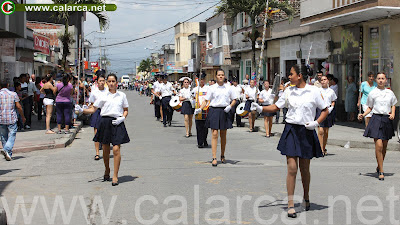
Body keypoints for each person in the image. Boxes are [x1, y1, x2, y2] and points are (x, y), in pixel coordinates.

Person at [251, 64, 329, 218]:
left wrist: (316, 122)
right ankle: (291, 204)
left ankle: (306, 197)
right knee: (292, 168)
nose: (289, 77)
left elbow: (325, 109)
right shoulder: (288, 91)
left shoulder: (314, 91)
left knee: (304, 169)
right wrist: (261, 108)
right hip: (291, 130)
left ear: (299, 75)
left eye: (291, 74)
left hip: (306, 131)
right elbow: (275, 107)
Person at [76, 74, 130, 186]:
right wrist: (82, 110)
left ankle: (115, 176)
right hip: (105, 122)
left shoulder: (122, 95)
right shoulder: (103, 95)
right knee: (105, 149)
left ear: (117, 82)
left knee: (116, 149)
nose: (111, 83)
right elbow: (93, 109)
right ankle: (107, 169)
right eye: (109, 81)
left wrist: (122, 118)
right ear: (107, 82)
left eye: (113, 81)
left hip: (117, 122)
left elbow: (125, 109)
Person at [358, 72, 397, 181]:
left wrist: (393, 113)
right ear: (376, 80)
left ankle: (379, 165)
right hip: (376, 119)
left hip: (386, 119)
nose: (380, 80)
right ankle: (381, 171)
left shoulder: (389, 92)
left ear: (385, 80)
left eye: (382, 78)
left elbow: (393, 104)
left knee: (384, 146)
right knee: (378, 145)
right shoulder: (373, 93)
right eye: (379, 78)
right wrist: (363, 114)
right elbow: (370, 107)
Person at [195, 69, 237, 167]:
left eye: (222, 75)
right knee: (214, 133)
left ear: (224, 76)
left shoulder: (229, 88)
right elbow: (206, 100)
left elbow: (234, 99)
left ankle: (222, 154)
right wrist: (200, 108)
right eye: (219, 75)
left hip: (225, 110)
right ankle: (214, 157)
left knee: (223, 134)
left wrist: (230, 106)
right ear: (216, 76)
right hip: (214, 110)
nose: (221, 76)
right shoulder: (212, 88)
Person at [0, 79, 26, 161]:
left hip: (1, 118)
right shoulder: (13, 94)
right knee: (12, 135)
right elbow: (19, 107)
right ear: (8, 85)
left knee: (3, 136)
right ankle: (7, 150)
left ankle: (8, 154)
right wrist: (22, 116)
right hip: (11, 118)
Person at [316, 75, 337, 156]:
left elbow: (333, 101)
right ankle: (320, 149)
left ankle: (324, 147)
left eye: (325, 79)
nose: (323, 81)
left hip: (328, 111)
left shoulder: (331, 91)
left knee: (326, 131)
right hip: (320, 110)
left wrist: (331, 108)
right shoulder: (318, 91)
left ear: (328, 81)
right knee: (320, 131)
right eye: (322, 80)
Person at [88, 75, 108, 161]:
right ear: (97, 82)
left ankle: (105, 152)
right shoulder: (94, 92)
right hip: (96, 111)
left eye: (103, 81)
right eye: (100, 81)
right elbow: (92, 103)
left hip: (105, 112)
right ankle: (97, 153)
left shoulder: (107, 91)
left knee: (105, 132)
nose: (102, 82)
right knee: (96, 132)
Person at [193, 73, 209, 148]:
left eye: (203, 79)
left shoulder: (208, 89)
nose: (201, 81)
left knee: (205, 127)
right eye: (200, 79)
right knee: (198, 126)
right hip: (197, 109)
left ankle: (204, 139)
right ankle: (200, 142)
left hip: (206, 109)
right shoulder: (195, 89)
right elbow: (192, 98)